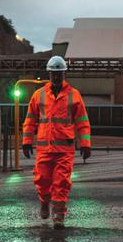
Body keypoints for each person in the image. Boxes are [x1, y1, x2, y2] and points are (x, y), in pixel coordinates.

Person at [21, 56, 91, 228]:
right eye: (54, 74)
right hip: (44, 149)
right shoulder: (39, 96)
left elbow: (82, 121)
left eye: (60, 74)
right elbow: (30, 119)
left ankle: (59, 216)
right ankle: (44, 202)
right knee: (42, 180)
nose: (57, 77)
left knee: (61, 183)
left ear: (64, 73)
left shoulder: (74, 95)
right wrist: (26, 141)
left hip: (64, 150)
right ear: (49, 74)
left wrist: (85, 144)